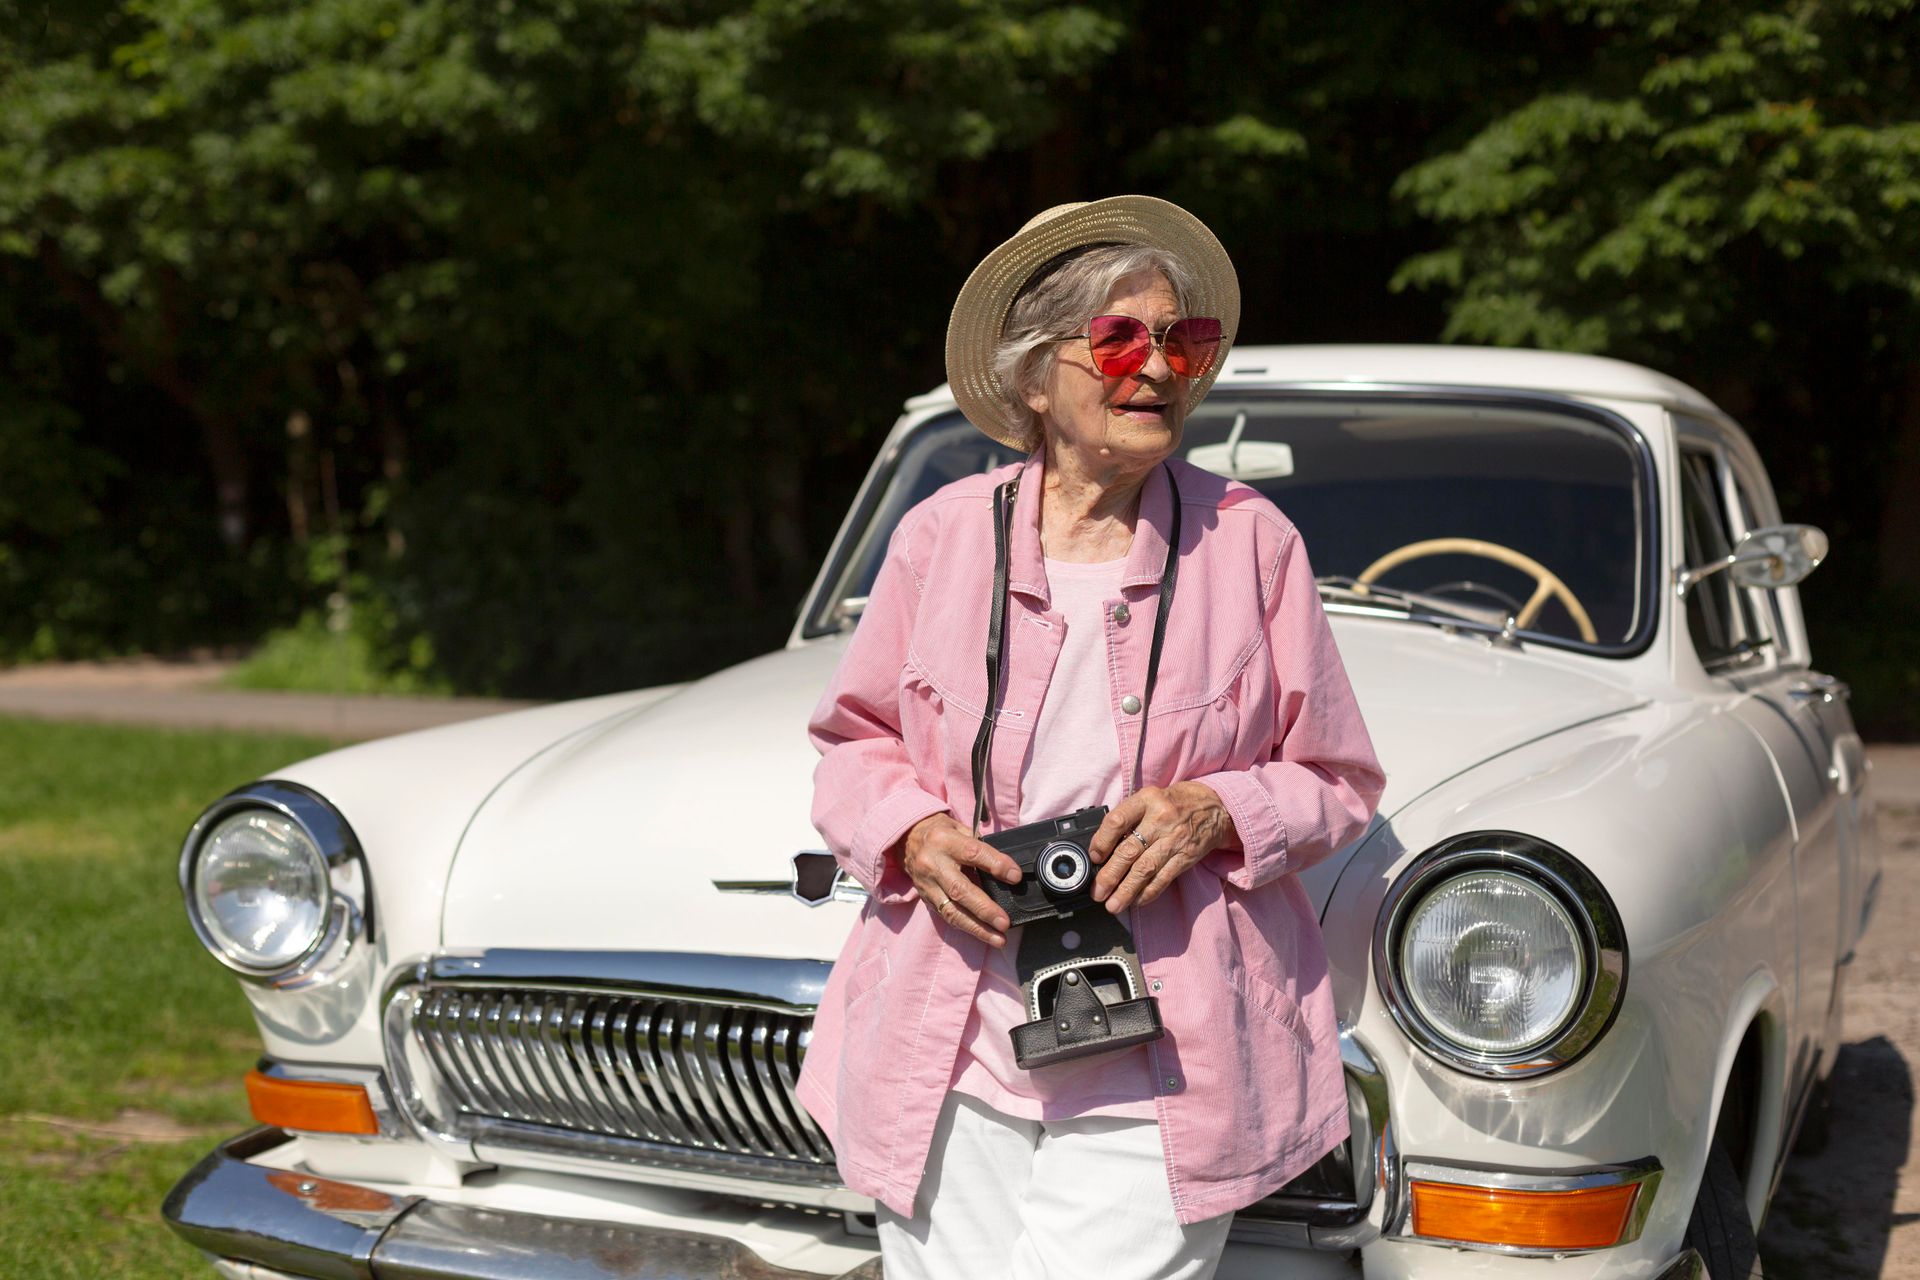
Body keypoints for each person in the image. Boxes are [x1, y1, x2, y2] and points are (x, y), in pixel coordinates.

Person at [794, 195, 1385, 1280]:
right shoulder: (940, 537)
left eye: (1182, 339)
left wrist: (1219, 807)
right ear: (1032, 376)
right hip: (950, 1030)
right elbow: (853, 742)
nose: (1157, 368)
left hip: (1167, 1046)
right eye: (1119, 337)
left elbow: (1338, 778)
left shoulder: (1250, 542)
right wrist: (913, 831)